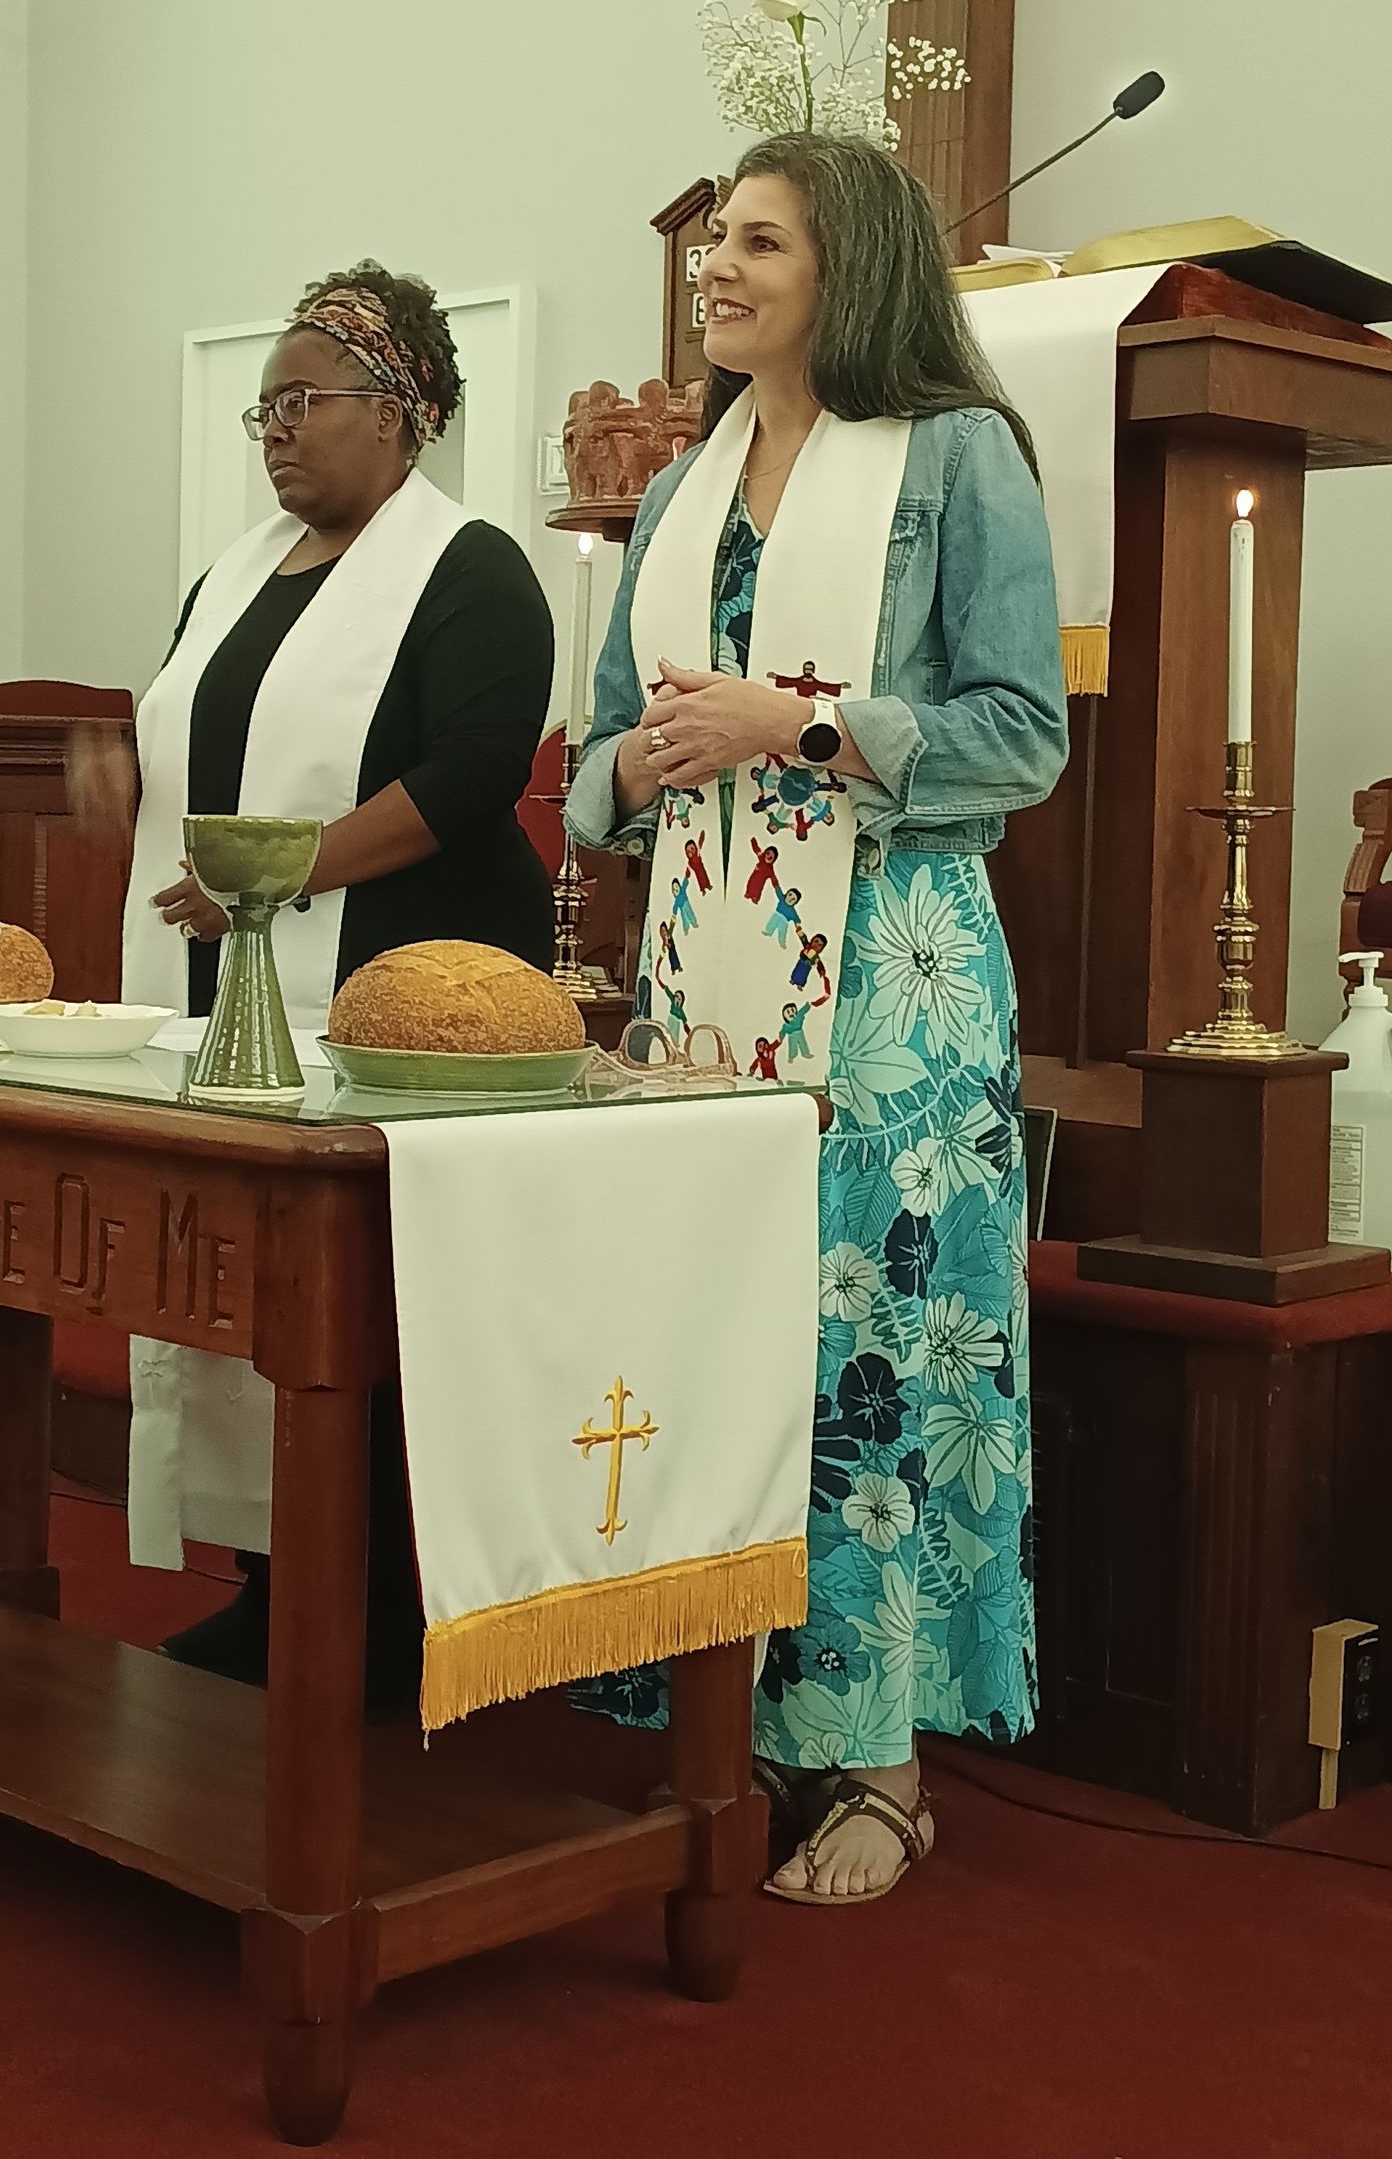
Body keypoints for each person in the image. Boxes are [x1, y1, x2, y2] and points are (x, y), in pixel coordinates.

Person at [564, 132, 1068, 1903]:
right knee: (724, 1332)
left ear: (846, 270)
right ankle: (731, 1723)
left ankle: (877, 1760)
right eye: (712, 238)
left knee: (869, 1342)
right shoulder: (681, 480)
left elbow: (1023, 733)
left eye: (758, 241)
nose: (718, 266)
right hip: (702, 979)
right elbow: (600, 767)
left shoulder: (957, 457)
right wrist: (639, 762)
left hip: (889, 990)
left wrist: (804, 728)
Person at [108, 261, 556, 1701]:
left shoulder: (472, 568)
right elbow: (190, 742)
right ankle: (272, 1577)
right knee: (246, 1278)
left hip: (404, 990)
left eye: (306, 402)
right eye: (266, 408)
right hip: (230, 976)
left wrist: (289, 867)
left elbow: (474, 773)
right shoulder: (232, 571)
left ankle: (387, 1604)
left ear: (402, 411)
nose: (278, 431)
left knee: (365, 1297)